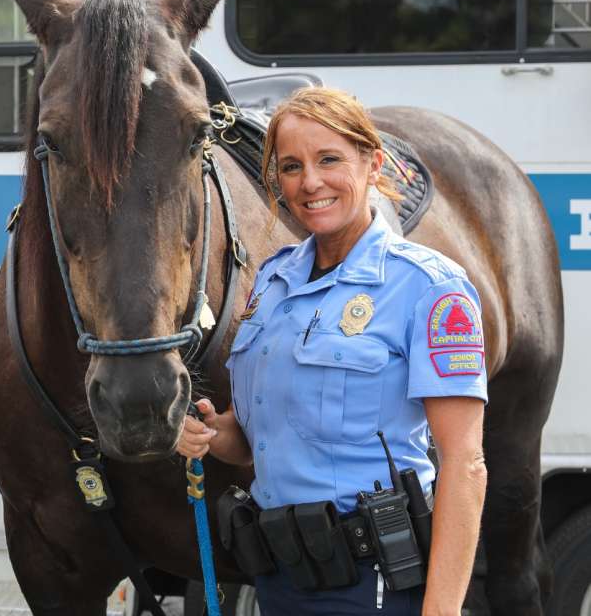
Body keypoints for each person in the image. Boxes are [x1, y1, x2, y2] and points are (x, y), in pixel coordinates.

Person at [176, 87, 487, 615]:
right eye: (292, 167)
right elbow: (255, 443)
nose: (310, 182)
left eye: (329, 160)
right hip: (280, 578)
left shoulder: (428, 287)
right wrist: (208, 433)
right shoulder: (273, 281)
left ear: (372, 163)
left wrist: (441, 611)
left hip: (376, 583)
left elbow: (465, 463)